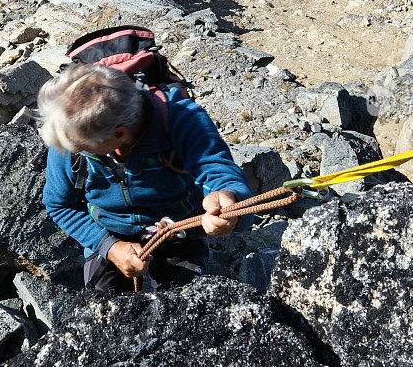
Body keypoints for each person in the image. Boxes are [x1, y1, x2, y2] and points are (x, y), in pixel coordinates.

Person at [37, 63, 254, 292]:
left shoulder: (181, 119)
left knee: (186, 309)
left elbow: (221, 174)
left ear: (119, 133)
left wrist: (228, 202)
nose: (73, 151)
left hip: (178, 230)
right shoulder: (72, 137)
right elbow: (59, 204)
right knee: (104, 315)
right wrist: (110, 247)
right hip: (111, 232)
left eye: (83, 148)